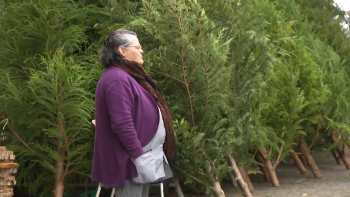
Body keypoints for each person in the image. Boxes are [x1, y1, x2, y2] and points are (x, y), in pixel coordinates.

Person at [91, 29, 176, 197]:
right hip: (131, 161)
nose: (141, 50)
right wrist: (138, 155)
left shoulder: (126, 76)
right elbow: (122, 123)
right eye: (137, 47)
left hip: (140, 157)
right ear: (122, 51)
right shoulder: (117, 78)